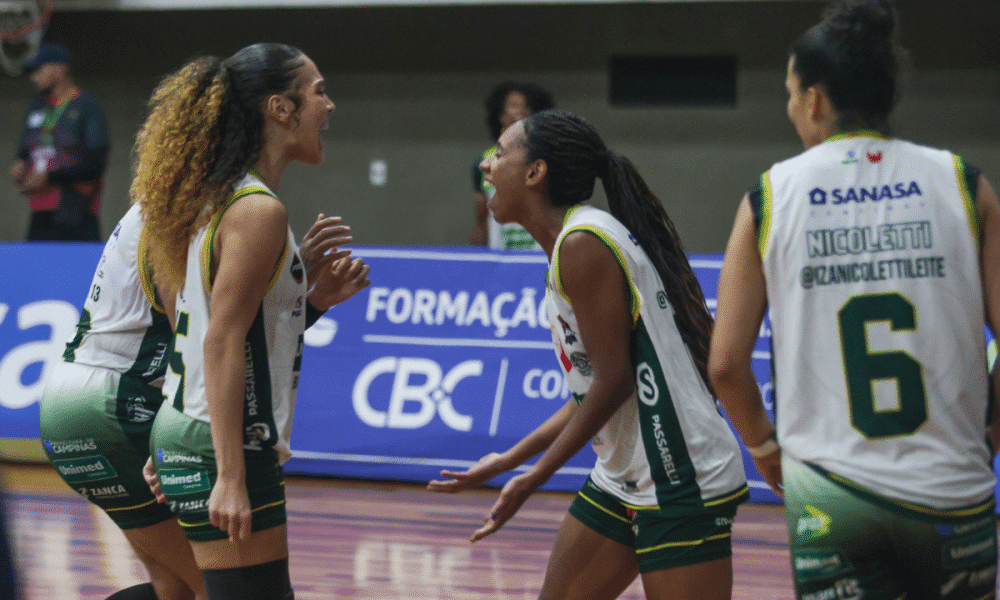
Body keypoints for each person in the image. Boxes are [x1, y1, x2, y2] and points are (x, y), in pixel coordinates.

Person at [708, 1, 1000, 598]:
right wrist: (993, 429)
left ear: (815, 98)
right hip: (953, 489)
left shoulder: (769, 196)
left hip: (829, 496)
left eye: (791, 94)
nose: (790, 110)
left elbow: (725, 365)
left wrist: (764, 447)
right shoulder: (965, 184)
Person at [431, 108, 749, 600]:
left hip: (680, 476)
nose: (487, 165)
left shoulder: (583, 243)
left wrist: (533, 477)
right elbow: (595, 389)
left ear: (536, 173)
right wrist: (508, 460)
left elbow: (615, 380)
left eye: (500, 152)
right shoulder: (574, 241)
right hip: (625, 474)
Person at [136, 42, 368, 600]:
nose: (329, 105)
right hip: (221, 437)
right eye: (317, 92)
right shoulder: (258, 211)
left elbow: (211, 329)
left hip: (192, 426)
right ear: (279, 109)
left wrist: (309, 302)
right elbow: (220, 341)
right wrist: (230, 475)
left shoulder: (221, 198)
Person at [37, 200, 357, 600]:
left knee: (174, 589)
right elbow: (206, 344)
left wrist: (303, 293)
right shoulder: (196, 209)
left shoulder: (163, 202)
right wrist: (224, 470)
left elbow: (219, 328)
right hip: (118, 406)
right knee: (220, 588)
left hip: (74, 404)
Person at [9, 43, 109, 241]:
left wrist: (50, 177)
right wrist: (20, 167)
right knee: (34, 269)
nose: (33, 78)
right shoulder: (37, 107)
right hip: (39, 210)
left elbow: (96, 164)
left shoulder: (87, 107)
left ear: (60, 68)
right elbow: (24, 153)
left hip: (77, 209)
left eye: (39, 70)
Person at [469, 80, 554, 249]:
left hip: (538, 258)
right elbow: (481, 219)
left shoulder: (548, 159)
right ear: (501, 115)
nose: (522, 111)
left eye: (528, 106)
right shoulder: (484, 163)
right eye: (514, 105)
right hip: (501, 260)